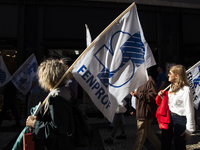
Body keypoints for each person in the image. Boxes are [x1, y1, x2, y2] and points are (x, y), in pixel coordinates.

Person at [26, 59, 75, 150]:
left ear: (47, 77)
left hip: (57, 145)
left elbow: (58, 127)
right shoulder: (63, 92)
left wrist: (34, 124)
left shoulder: (56, 98)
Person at [158, 65, 195, 150]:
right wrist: (162, 96)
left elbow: (190, 110)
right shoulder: (172, 86)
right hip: (169, 118)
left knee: (179, 145)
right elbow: (171, 102)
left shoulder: (186, 90)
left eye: (170, 73)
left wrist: (189, 129)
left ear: (177, 75)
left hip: (180, 119)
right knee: (165, 143)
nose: (168, 75)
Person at [130, 75, 161, 150]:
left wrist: (138, 94)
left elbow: (153, 96)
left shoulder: (149, 81)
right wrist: (132, 108)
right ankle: (160, 146)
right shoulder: (137, 80)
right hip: (140, 111)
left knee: (141, 133)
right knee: (147, 131)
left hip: (145, 112)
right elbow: (134, 97)